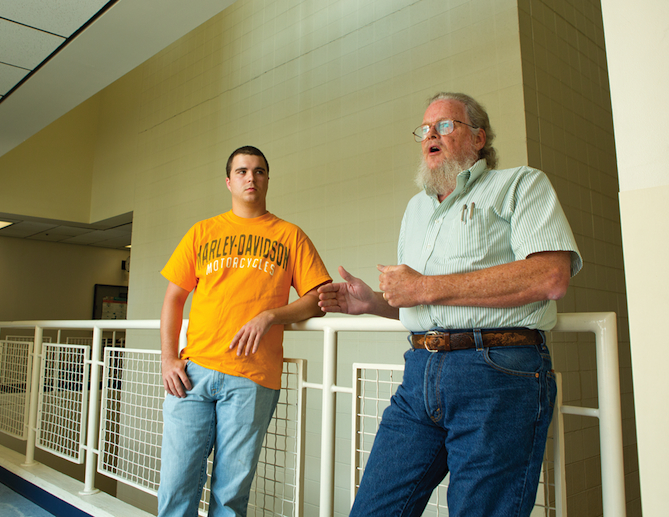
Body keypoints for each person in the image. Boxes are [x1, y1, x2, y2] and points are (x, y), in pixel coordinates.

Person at [318, 92, 582, 517]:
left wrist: (422, 288)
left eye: (444, 125)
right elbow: (424, 301)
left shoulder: (520, 184)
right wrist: (374, 303)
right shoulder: (415, 209)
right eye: (424, 130)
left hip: (497, 374)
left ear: (478, 138)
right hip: (420, 373)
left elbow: (550, 276)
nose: (430, 136)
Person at [158, 146, 331, 517]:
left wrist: (272, 315)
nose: (250, 177)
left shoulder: (289, 235)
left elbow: (317, 298)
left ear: (267, 179)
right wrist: (168, 358)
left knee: (230, 497)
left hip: (253, 378)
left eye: (259, 171)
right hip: (193, 373)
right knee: (176, 487)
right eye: (241, 171)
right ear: (229, 181)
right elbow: (174, 299)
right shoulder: (202, 232)